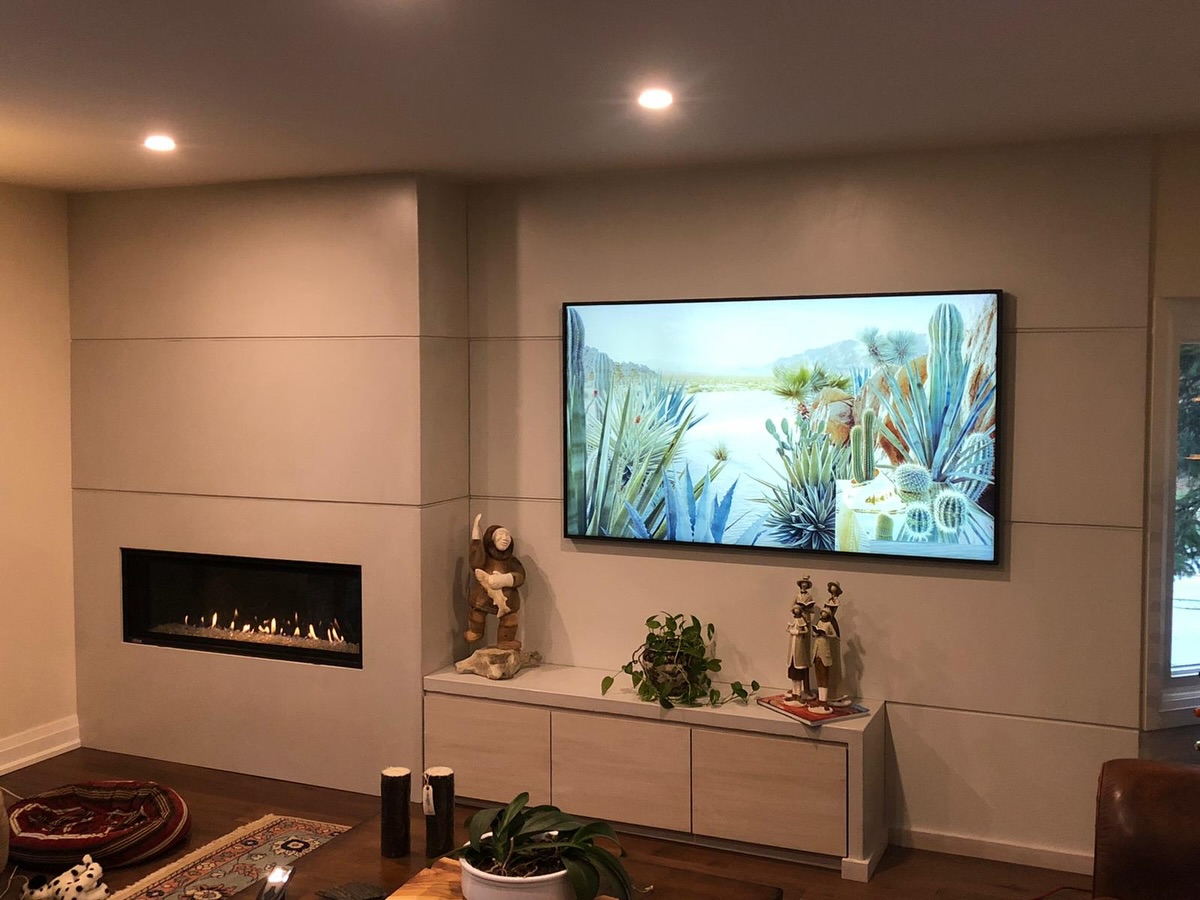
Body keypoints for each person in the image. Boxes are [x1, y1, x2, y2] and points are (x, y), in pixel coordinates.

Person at [465, 513, 526, 650]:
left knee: (510, 620)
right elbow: (476, 563)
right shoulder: (485, 558)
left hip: (507, 600)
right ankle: (476, 631)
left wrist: (505, 579)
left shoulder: (512, 561)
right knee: (477, 615)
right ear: (491, 540)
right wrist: (476, 539)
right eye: (500, 536)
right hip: (483, 597)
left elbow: (521, 576)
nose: (504, 539)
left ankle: (505, 640)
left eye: (507, 536)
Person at [787, 576, 816, 700]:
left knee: (802, 656)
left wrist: (806, 609)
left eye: (806, 584)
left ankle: (803, 690)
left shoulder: (809, 597)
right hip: (795, 636)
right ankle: (795, 691)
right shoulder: (797, 596)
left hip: (805, 622)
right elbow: (791, 606)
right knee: (793, 665)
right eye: (802, 584)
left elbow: (812, 610)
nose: (804, 586)